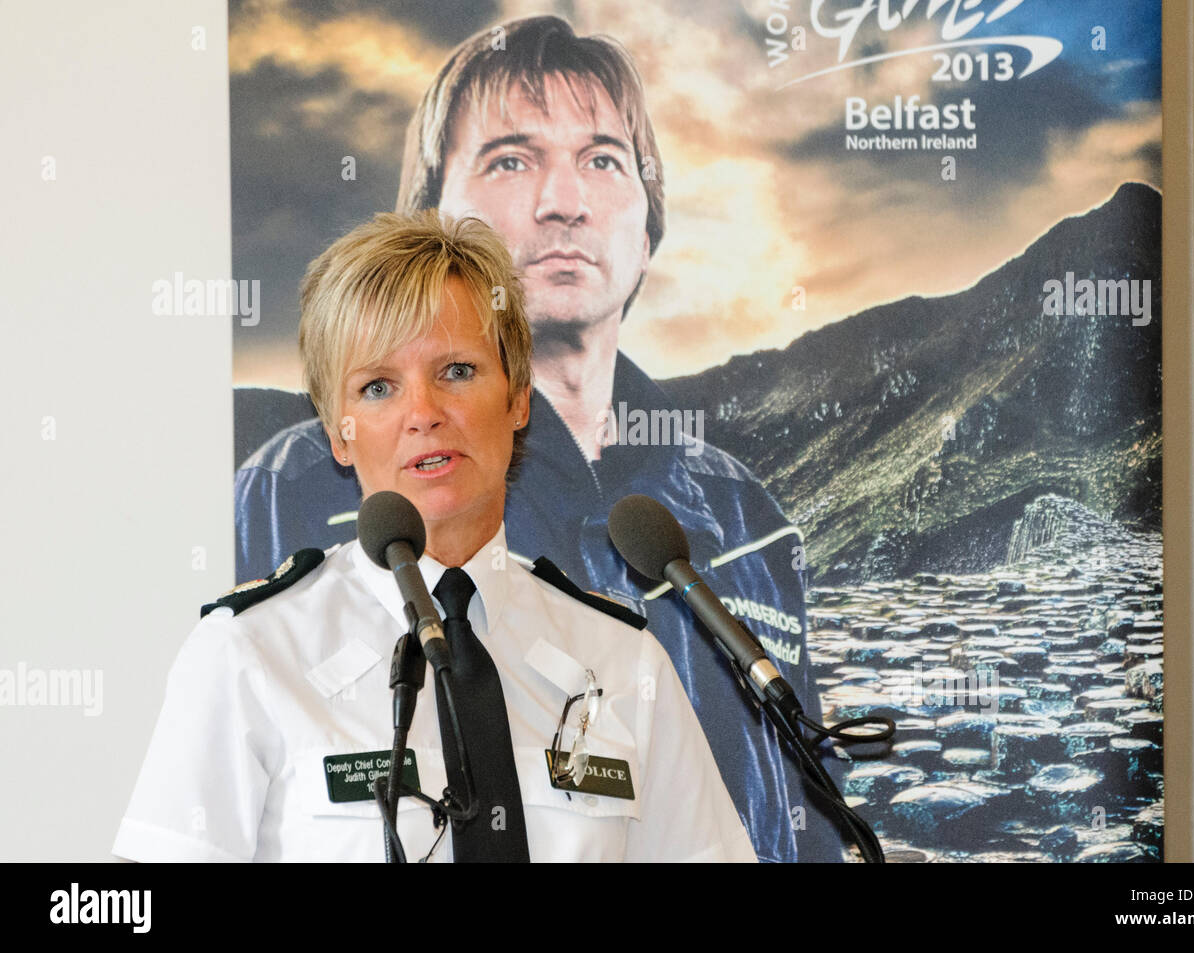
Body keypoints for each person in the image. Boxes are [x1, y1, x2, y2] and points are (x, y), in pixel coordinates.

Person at [235, 15, 846, 862]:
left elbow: (805, 817)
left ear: (647, 223)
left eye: (602, 159)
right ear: (429, 213)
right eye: (511, 159)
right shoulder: (286, 491)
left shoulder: (748, 515)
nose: (565, 201)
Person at [113, 211, 756, 862]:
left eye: (456, 371)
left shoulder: (622, 662)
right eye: (378, 386)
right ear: (340, 433)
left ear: (517, 398)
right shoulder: (249, 654)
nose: (423, 413)